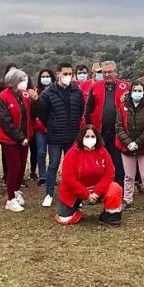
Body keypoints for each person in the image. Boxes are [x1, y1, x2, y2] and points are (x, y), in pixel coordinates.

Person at [31, 62, 84, 207]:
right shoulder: (49, 92)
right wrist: (36, 102)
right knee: (53, 165)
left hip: (72, 135)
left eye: (69, 74)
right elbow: (42, 113)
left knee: (72, 167)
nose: (67, 76)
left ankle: (74, 195)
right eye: (65, 74)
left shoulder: (76, 91)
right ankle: (49, 193)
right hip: (55, 136)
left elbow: (80, 110)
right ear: (58, 74)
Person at [54, 125, 123, 226]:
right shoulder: (72, 153)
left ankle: (110, 215)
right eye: (87, 136)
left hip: (96, 188)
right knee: (65, 220)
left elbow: (109, 173)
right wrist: (86, 194)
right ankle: (78, 207)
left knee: (115, 188)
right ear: (81, 138)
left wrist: (97, 192)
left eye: (92, 136)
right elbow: (69, 179)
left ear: (97, 138)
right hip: (75, 190)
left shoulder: (102, 151)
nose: (90, 139)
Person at [115, 80, 144, 214]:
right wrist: (128, 142)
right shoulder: (123, 106)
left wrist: (138, 142)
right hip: (126, 146)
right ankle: (127, 200)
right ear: (130, 91)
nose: (137, 93)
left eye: (140, 90)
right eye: (135, 90)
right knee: (128, 176)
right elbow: (119, 126)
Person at [0, 69, 35, 213]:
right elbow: (6, 122)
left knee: (22, 166)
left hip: (25, 137)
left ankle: (17, 190)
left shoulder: (24, 95)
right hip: (10, 139)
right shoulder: (2, 97)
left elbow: (29, 114)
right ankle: (10, 198)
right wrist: (20, 137)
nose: (24, 82)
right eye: (21, 80)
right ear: (13, 82)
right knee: (14, 167)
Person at [85, 60, 128, 185]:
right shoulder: (95, 86)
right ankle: (99, 188)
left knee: (118, 162)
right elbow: (88, 110)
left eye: (110, 72)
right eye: (104, 72)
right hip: (100, 131)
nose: (107, 75)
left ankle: (119, 188)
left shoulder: (126, 86)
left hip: (119, 132)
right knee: (100, 162)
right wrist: (89, 129)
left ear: (116, 72)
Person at [32, 69, 53, 186]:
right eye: (43, 76)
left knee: (53, 154)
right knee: (41, 152)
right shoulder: (36, 91)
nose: (45, 78)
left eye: (48, 76)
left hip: (52, 127)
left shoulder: (55, 90)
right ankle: (42, 176)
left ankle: (51, 175)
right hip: (39, 128)